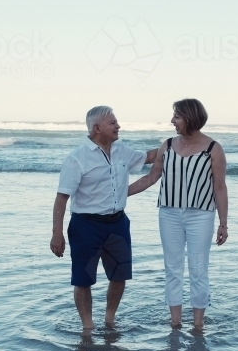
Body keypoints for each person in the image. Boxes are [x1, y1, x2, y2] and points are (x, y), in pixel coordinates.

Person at [50, 106, 158, 331]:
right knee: (83, 280)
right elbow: (61, 199)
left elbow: (148, 157)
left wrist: (175, 144)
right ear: (97, 128)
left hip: (118, 223)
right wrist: (57, 234)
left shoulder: (122, 150)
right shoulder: (76, 159)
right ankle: (87, 327)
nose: (118, 126)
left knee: (120, 275)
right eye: (113, 123)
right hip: (85, 225)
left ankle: (109, 319)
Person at [128, 98, 228, 331]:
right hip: (169, 213)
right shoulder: (169, 145)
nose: (172, 120)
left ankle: (198, 324)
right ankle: (175, 322)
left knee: (198, 267)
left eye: (177, 116)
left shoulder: (214, 149)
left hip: (201, 215)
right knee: (172, 268)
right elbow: (151, 178)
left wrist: (223, 224)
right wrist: (116, 195)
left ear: (190, 118)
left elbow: (220, 187)